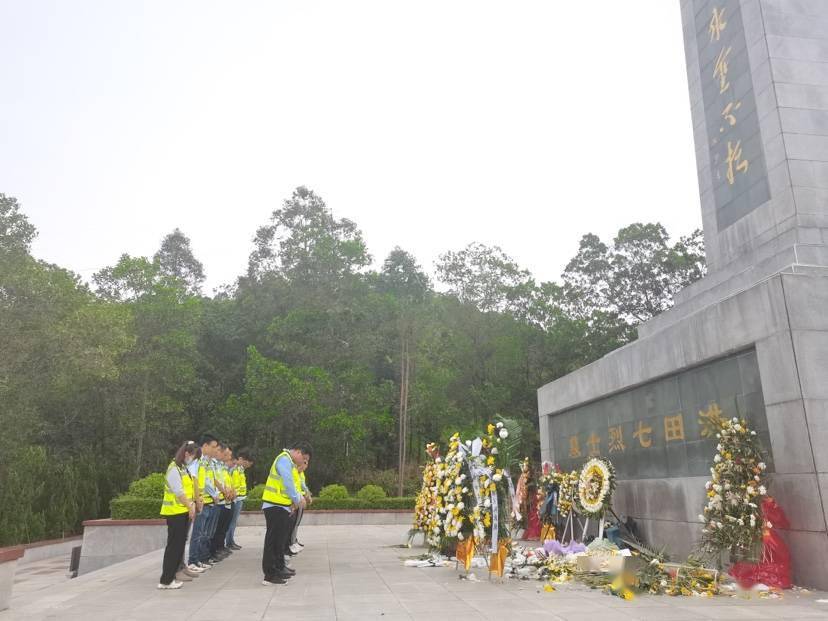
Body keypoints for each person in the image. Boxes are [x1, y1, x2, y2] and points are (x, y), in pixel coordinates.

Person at [261, 443, 312, 586]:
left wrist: (294, 500)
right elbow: (288, 482)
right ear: (298, 452)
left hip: (282, 506)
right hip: (275, 505)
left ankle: (279, 568)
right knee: (272, 541)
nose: (303, 462)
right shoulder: (284, 459)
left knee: (280, 541)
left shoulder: (289, 461)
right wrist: (297, 499)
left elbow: (293, 484)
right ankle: (269, 575)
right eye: (304, 458)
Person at [159, 441, 199, 589]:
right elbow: (179, 491)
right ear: (186, 454)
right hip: (174, 513)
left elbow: (187, 491)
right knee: (174, 547)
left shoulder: (183, 468)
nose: (193, 461)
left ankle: (171, 577)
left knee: (179, 545)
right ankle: (166, 580)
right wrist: (190, 506)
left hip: (182, 512)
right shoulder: (174, 468)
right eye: (193, 457)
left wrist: (191, 506)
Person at [188, 433, 219, 570]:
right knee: (197, 533)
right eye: (213, 447)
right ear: (205, 445)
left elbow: (208, 479)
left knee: (202, 532)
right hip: (199, 500)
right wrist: (198, 498)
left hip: (204, 500)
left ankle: (199, 559)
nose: (214, 450)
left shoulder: (205, 461)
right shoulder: (197, 460)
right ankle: (193, 561)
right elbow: (197, 480)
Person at [210, 444, 236, 561]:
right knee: (215, 528)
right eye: (227, 454)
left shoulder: (222, 466)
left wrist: (231, 491)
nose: (228, 456)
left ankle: (220, 547)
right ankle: (213, 551)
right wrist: (224, 491)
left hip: (226, 499)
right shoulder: (213, 464)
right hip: (218, 500)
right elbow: (214, 481)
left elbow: (227, 481)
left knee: (223, 526)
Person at [226, 448, 253, 551]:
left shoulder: (240, 469)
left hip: (239, 498)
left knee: (234, 522)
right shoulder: (233, 469)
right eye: (247, 462)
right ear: (241, 459)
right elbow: (229, 482)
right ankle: (228, 542)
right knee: (231, 522)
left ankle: (231, 541)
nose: (248, 465)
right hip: (234, 499)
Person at [287, 455, 312, 555]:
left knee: (295, 524)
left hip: (299, 500)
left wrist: (307, 494)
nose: (305, 467)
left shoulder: (300, 474)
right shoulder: (293, 471)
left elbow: (303, 485)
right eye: (304, 464)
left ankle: (293, 542)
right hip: (294, 501)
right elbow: (293, 487)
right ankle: (290, 544)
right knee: (292, 524)